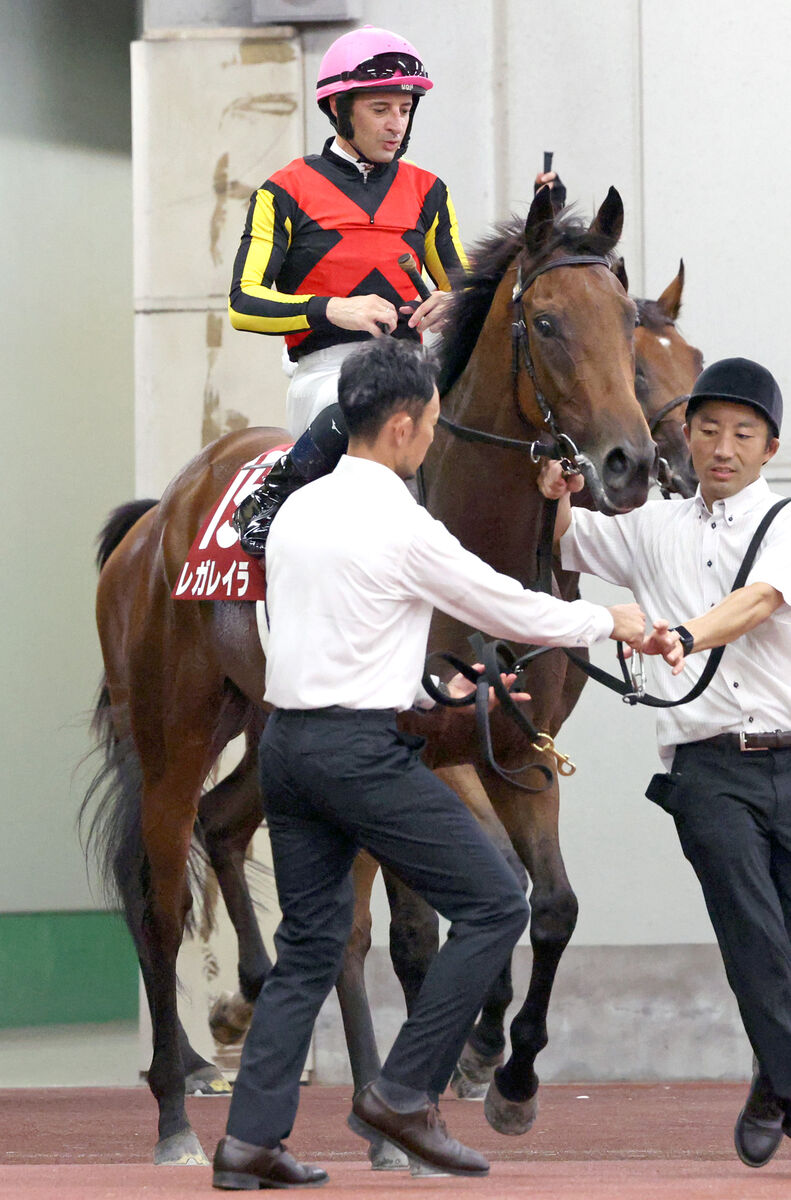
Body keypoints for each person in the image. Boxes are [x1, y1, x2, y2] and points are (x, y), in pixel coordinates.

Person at [212, 337, 654, 1189]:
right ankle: (403, 1094)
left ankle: (247, 1143)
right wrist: (614, 623)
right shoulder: (401, 523)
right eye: (432, 425)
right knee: (493, 902)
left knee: (308, 944)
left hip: (289, 750)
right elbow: (503, 603)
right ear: (409, 425)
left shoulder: (297, 507)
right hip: (356, 751)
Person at [537, 356, 791, 1171]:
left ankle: (771, 1081)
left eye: (742, 434)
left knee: (782, 944)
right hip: (707, 768)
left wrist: (685, 634)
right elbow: (569, 542)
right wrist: (553, 494)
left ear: (770, 446)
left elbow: (756, 602)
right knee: (752, 933)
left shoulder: (785, 520)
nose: (722, 447)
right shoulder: (652, 526)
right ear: (683, 434)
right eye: (707, 429)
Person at [228, 24, 468, 555]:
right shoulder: (284, 190)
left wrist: (455, 303)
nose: (396, 125)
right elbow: (243, 304)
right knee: (370, 400)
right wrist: (334, 309)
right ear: (340, 109)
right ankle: (272, 498)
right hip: (327, 375)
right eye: (380, 109)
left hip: (418, 369)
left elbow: (466, 288)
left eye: (404, 110)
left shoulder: (429, 191)